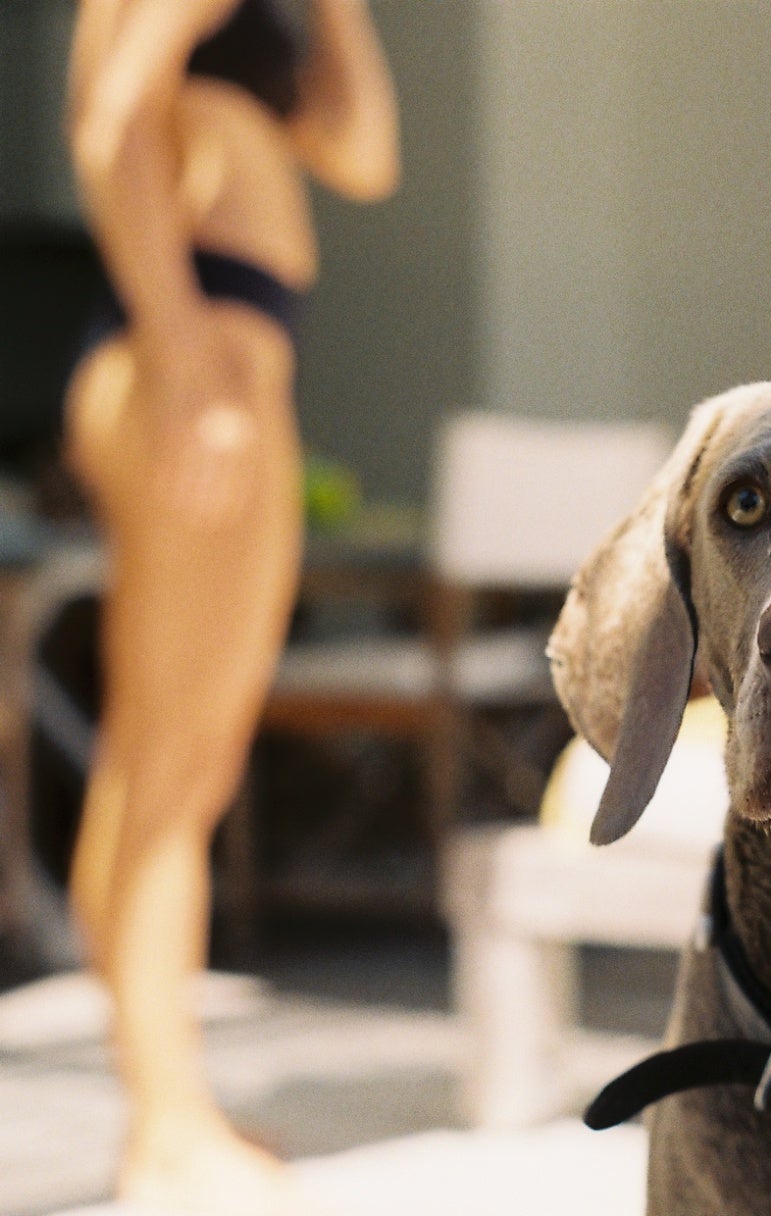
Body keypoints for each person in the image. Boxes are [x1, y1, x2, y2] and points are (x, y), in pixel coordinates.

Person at [63, 1, 398, 1209]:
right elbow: (106, 123)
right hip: (193, 350)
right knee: (172, 771)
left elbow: (364, 156)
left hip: (209, 343)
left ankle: (161, 1103)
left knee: (164, 762)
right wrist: (192, 358)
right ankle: (166, 1124)